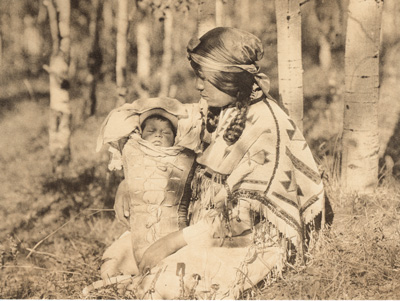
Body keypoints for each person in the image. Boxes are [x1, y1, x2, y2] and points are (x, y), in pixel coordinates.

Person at [97, 27, 326, 299]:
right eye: (198, 76)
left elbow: (243, 221)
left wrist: (172, 242)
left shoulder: (267, 128)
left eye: (205, 78)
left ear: (229, 79)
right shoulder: (217, 111)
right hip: (201, 229)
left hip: (249, 243)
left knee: (165, 281)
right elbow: (140, 115)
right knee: (118, 258)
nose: (198, 85)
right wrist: (127, 180)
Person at [98, 97, 197, 280]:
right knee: (111, 263)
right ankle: (124, 282)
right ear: (141, 135)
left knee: (174, 274)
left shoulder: (183, 156)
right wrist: (124, 183)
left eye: (166, 133)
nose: (158, 135)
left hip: (173, 240)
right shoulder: (133, 149)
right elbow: (122, 119)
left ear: (175, 138)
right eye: (151, 131)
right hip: (138, 235)